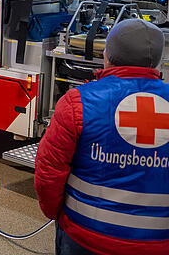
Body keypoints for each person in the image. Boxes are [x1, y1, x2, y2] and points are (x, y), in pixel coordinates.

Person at [34, 17, 169, 255]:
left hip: (86, 236)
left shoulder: (78, 102)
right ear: (159, 61)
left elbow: (49, 171)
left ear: (107, 55)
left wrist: (58, 214)